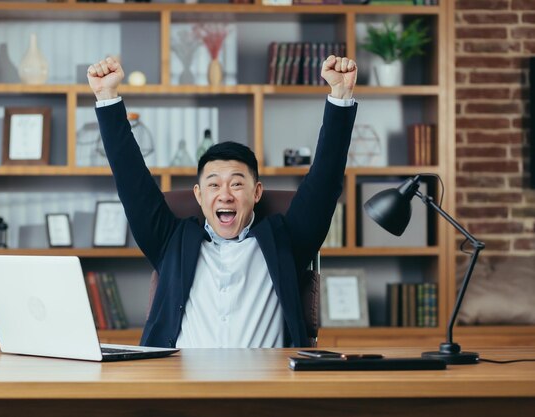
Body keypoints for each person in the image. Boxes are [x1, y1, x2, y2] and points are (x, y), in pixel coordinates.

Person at [88, 55, 358, 348]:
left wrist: (340, 97)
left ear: (256, 193)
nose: (225, 194)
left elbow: (325, 183)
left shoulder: (285, 241)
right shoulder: (171, 242)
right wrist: (107, 97)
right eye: (214, 184)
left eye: (237, 183)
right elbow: (132, 182)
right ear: (199, 195)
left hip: (267, 387)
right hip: (181, 387)